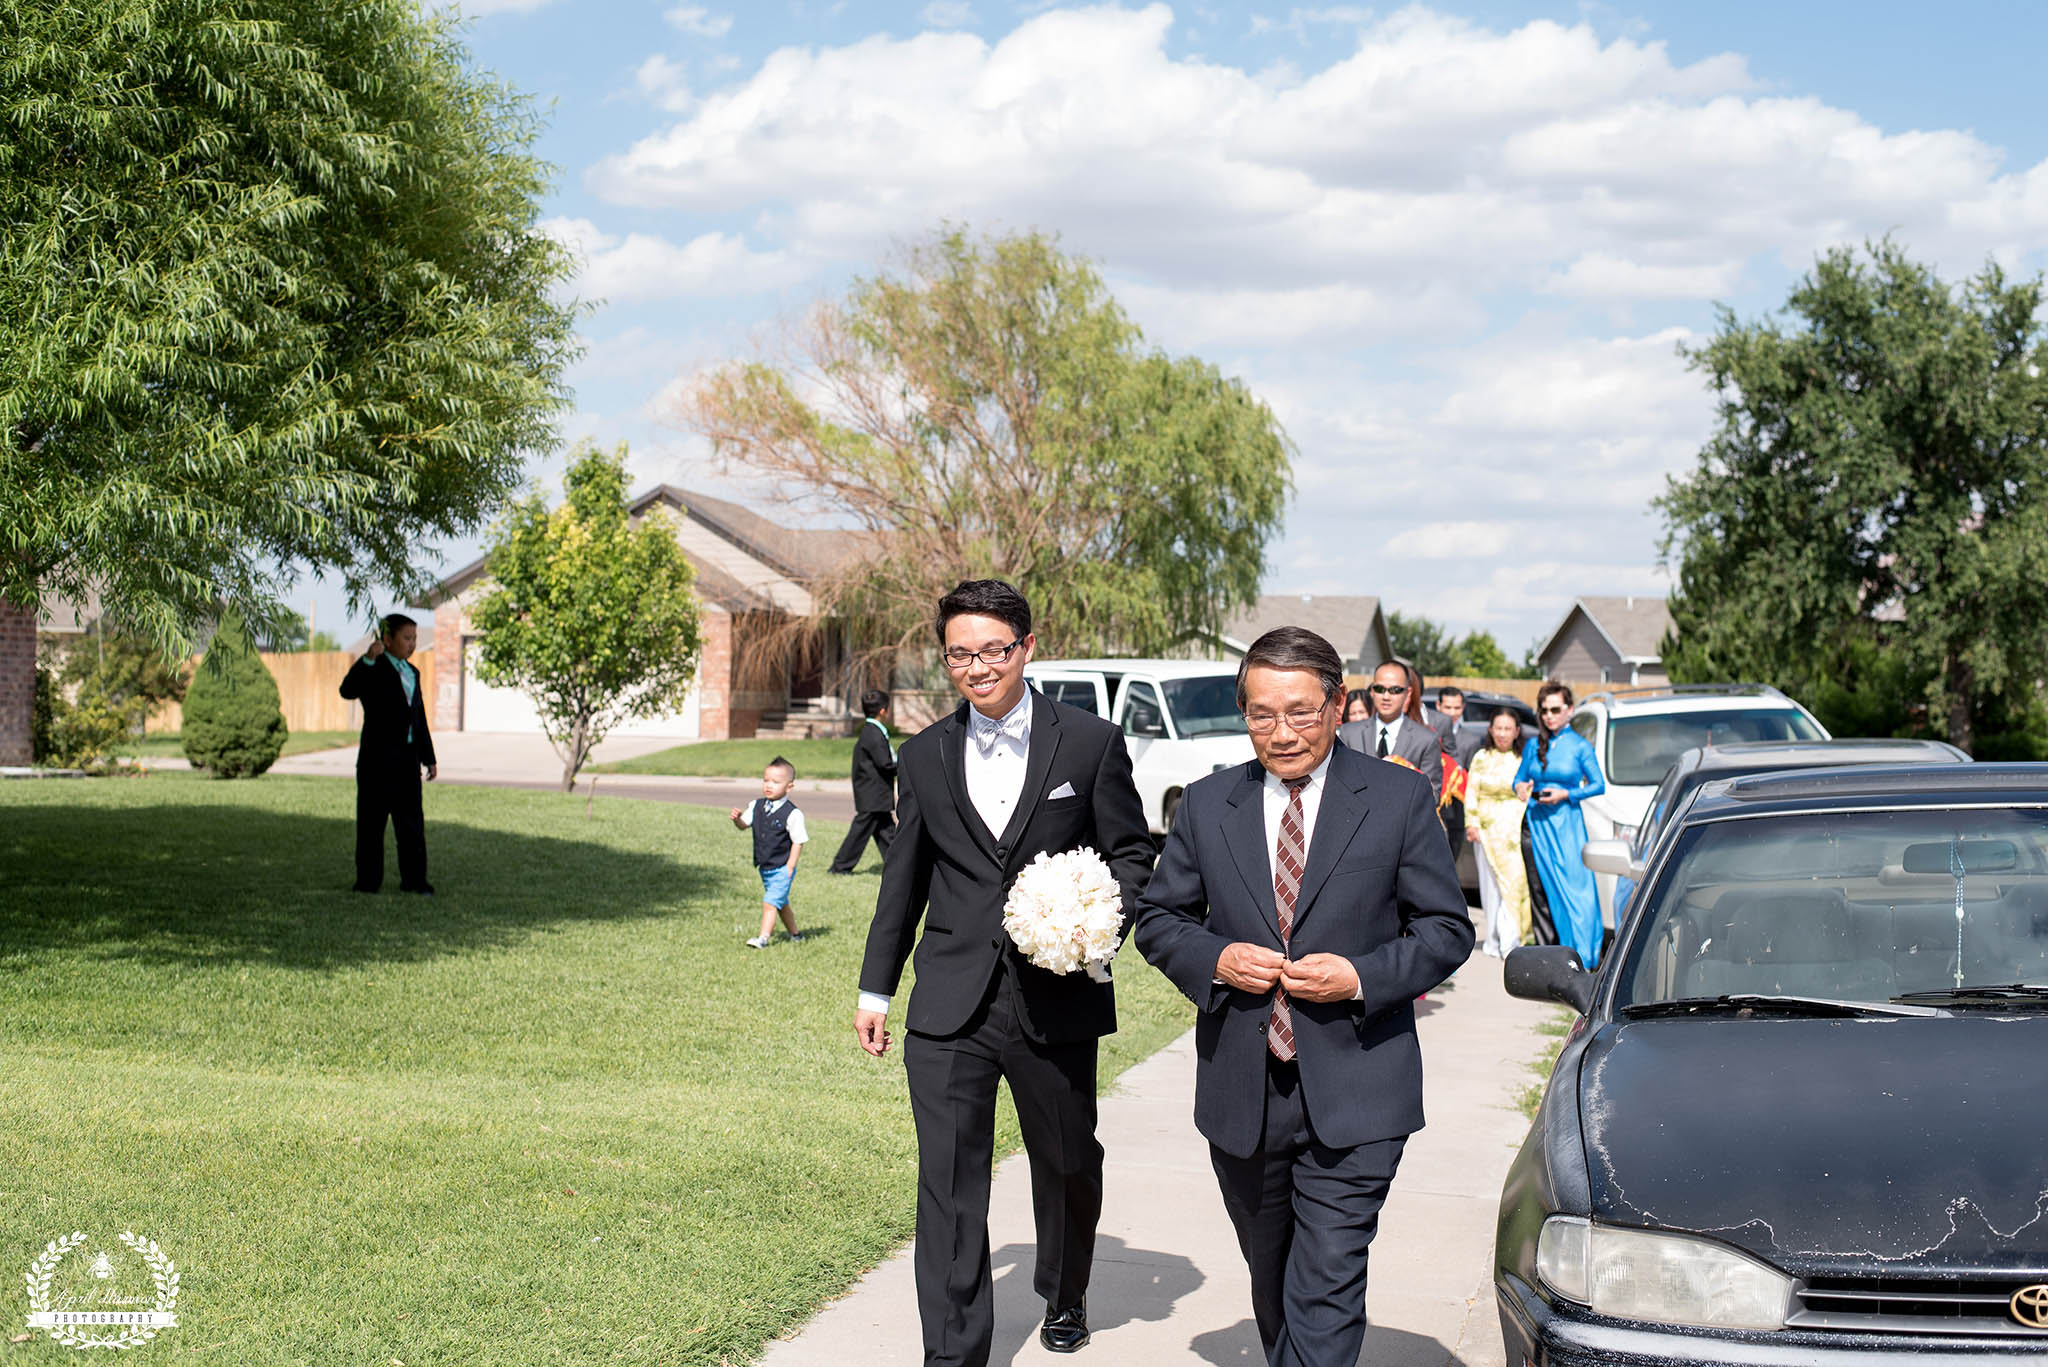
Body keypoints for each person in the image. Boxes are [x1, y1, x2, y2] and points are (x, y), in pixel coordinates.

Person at [1133, 627, 1473, 1367]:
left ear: (1338, 704)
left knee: (1325, 1286)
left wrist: (1359, 977)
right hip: (1242, 1095)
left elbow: (1446, 931)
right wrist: (1218, 957)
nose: (1280, 733)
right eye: (1261, 714)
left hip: (1358, 1090)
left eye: (1299, 712)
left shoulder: (1399, 799)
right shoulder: (1204, 804)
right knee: (1275, 1280)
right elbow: (1158, 920)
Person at [854, 579, 1154, 1363]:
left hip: (1055, 995)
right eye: (960, 652)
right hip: (949, 1004)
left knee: (1065, 1159)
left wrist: (1095, 924)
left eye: (993, 648)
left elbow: (1130, 853)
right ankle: (953, 1351)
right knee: (949, 1184)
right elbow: (905, 880)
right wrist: (875, 987)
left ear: (1027, 645)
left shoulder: (1088, 742)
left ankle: (1065, 1288)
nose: (977, 666)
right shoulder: (921, 756)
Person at [339, 613, 437, 894]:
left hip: (407, 761)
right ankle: (368, 882)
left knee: (411, 826)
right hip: (377, 762)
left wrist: (428, 757)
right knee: (371, 826)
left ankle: (415, 881)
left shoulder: (412, 673)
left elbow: (418, 718)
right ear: (387, 639)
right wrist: (367, 660)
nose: (412, 644)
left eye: (415, 638)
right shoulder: (374, 669)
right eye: (406, 638)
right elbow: (347, 690)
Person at [1514, 682, 1606, 969]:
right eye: (1544, 711)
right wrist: (1520, 787)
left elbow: (1598, 785)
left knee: (1577, 890)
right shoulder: (1532, 744)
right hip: (1535, 824)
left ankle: (1582, 957)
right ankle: (1548, 960)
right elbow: (1518, 778)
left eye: (1556, 709)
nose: (1549, 716)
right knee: (1540, 892)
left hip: (1566, 824)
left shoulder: (1580, 746)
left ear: (1570, 710)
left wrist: (1567, 794)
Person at [1464, 710, 1532, 957]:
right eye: (1499, 728)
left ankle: (1512, 939)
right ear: (1491, 730)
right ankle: (1494, 939)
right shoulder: (1481, 757)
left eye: (1508, 728)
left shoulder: (1524, 758)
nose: (1503, 733)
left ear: (1516, 732)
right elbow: (1471, 791)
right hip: (1486, 831)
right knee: (1490, 888)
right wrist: (1471, 823)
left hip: (1514, 831)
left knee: (1514, 885)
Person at [1336, 660, 1444, 804]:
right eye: (1380, 689)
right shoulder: (1349, 733)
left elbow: (1433, 795)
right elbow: (1338, 782)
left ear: (1408, 692)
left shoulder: (1426, 740)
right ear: (1372, 691)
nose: (1386, 696)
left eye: (1395, 690)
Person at [730, 758, 808, 948]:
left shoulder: (793, 814)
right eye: (766, 780)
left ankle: (763, 938)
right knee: (781, 904)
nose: (768, 785)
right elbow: (743, 825)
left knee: (770, 902)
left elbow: (798, 842)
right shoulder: (756, 806)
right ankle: (796, 935)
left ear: (789, 787)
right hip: (765, 868)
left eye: (775, 782)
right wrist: (737, 819)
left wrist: (790, 867)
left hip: (782, 868)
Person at [828, 690, 898, 874]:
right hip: (873, 794)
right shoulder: (873, 733)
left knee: (887, 833)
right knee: (859, 833)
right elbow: (885, 764)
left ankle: (899, 864)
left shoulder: (872, 731)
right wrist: (906, 766)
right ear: (883, 711)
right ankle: (840, 867)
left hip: (876, 795)